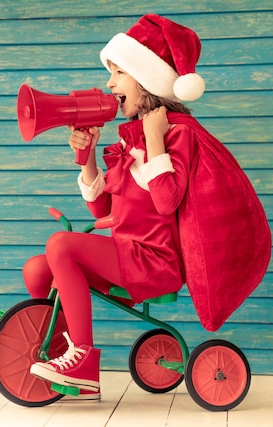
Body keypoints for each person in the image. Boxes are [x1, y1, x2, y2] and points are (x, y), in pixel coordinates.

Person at [24, 14, 209, 397]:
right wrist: (88, 156)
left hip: (154, 260)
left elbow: (166, 199)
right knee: (37, 269)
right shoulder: (131, 139)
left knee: (61, 245)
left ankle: (85, 359)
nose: (109, 83)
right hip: (127, 253)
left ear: (146, 79)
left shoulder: (178, 135)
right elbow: (101, 210)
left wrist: (155, 139)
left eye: (119, 72)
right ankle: (60, 352)